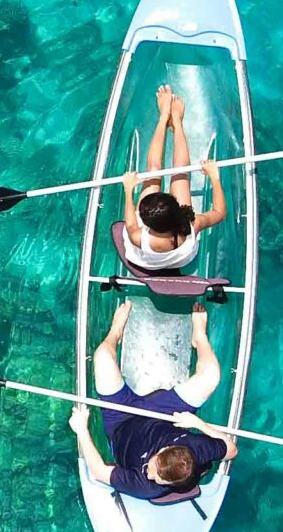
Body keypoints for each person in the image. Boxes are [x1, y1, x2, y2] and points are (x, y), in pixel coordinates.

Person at [69, 300, 239, 501]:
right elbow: (231, 450)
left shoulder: (145, 486)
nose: (150, 474)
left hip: (121, 422)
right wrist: (198, 424)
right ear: (167, 449)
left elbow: (98, 471)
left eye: (157, 478)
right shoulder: (196, 449)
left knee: (102, 356)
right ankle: (198, 337)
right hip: (163, 415)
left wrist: (82, 430)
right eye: (154, 466)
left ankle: (114, 332)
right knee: (211, 376)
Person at [118, 85, 227, 272]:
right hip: (180, 258)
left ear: (146, 223)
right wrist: (215, 178)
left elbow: (129, 222)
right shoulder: (191, 225)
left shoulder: (138, 236)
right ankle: (176, 120)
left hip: (145, 259)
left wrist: (129, 192)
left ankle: (163, 117)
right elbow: (219, 213)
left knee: (153, 172)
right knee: (181, 173)